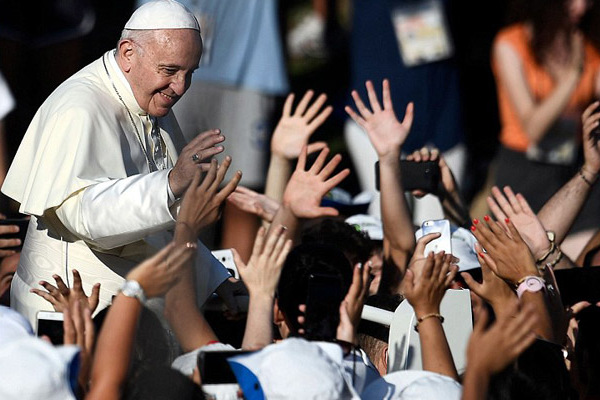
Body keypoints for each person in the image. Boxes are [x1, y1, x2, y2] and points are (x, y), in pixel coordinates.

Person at [1, 0, 235, 326]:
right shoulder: (79, 108)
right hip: (73, 315)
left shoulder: (149, 96)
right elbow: (84, 215)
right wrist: (170, 183)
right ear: (127, 54)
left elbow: (155, 226)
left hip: (133, 311)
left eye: (189, 73)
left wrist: (209, 274)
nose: (180, 87)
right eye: (169, 71)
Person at [491, 0, 600, 259]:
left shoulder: (587, 43)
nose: (581, 7)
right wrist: (573, 75)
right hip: (525, 169)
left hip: (575, 167)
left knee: (581, 264)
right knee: (530, 263)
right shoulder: (511, 43)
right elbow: (533, 127)